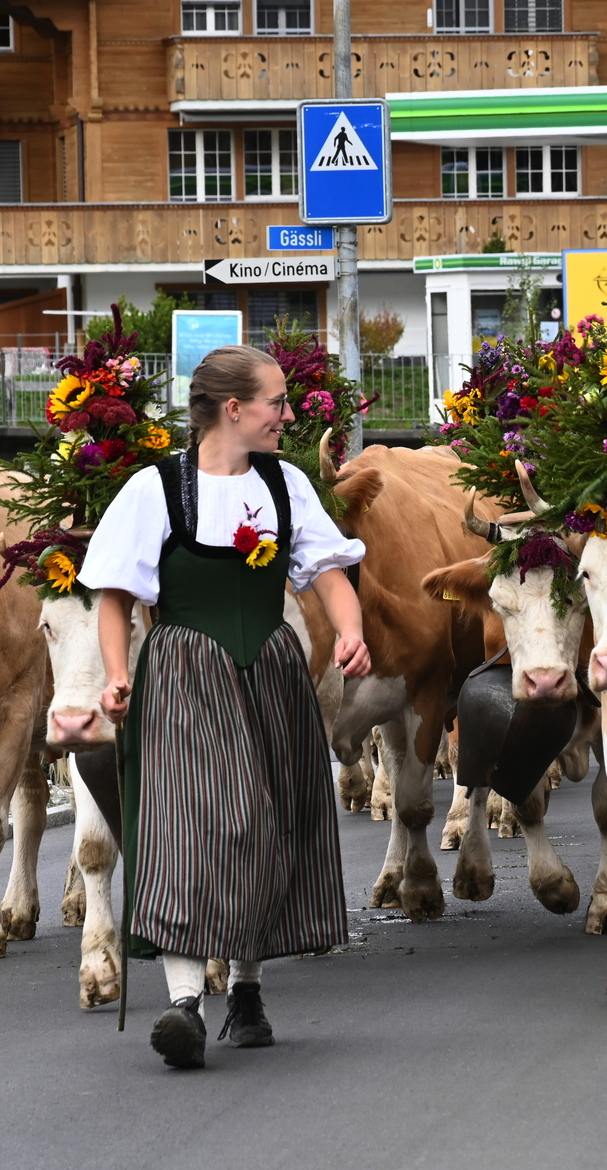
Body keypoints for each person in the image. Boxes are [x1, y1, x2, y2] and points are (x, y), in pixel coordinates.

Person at [81, 344, 370, 1071]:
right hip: (184, 674)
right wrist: (117, 674)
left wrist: (353, 630)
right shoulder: (155, 489)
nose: (288, 414)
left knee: (268, 819)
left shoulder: (286, 484)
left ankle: (246, 988)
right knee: (193, 824)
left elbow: (328, 571)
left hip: (269, 670)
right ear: (233, 409)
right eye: (277, 401)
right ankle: (184, 1003)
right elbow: (114, 598)